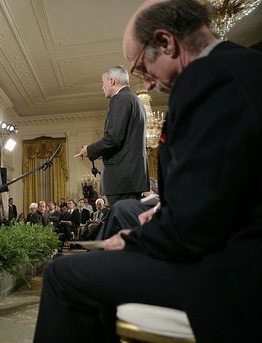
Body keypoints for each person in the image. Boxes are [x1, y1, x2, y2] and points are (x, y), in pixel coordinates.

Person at [34, 0, 262, 342]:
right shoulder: (248, 64)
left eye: (141, 67)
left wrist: (134, 239)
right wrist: (161, 212)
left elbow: (197, 221)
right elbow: (226, 184)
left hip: (234, 270)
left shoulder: (207, 78)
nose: (148, 84)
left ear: (166, 42)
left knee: (62, 274)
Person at [78, 65, 149, 207]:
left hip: (121, 179)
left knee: (123, 224)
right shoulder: (135, 100)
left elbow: (114, 138)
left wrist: (90, 150)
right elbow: (125, 140)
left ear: (112, 81)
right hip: (131, 177)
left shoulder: (120, 99)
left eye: (103, 82)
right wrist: (102, 151)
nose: (102, 87)